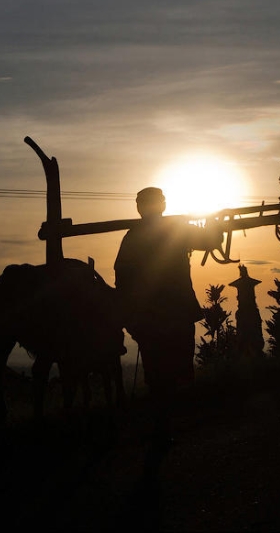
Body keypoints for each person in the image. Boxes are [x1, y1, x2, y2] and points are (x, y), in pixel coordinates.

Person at [114, 187, 222, 448]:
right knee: (175, 368)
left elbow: (121, 280)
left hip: (152, 316)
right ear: (161, 206)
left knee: (158, 372)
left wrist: (130, 316)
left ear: (140, 209)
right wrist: (214, 223)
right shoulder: (177, 230)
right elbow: (211, 241)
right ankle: (170, 425)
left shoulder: (133, 237)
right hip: (174, 312)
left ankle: (164, 425)